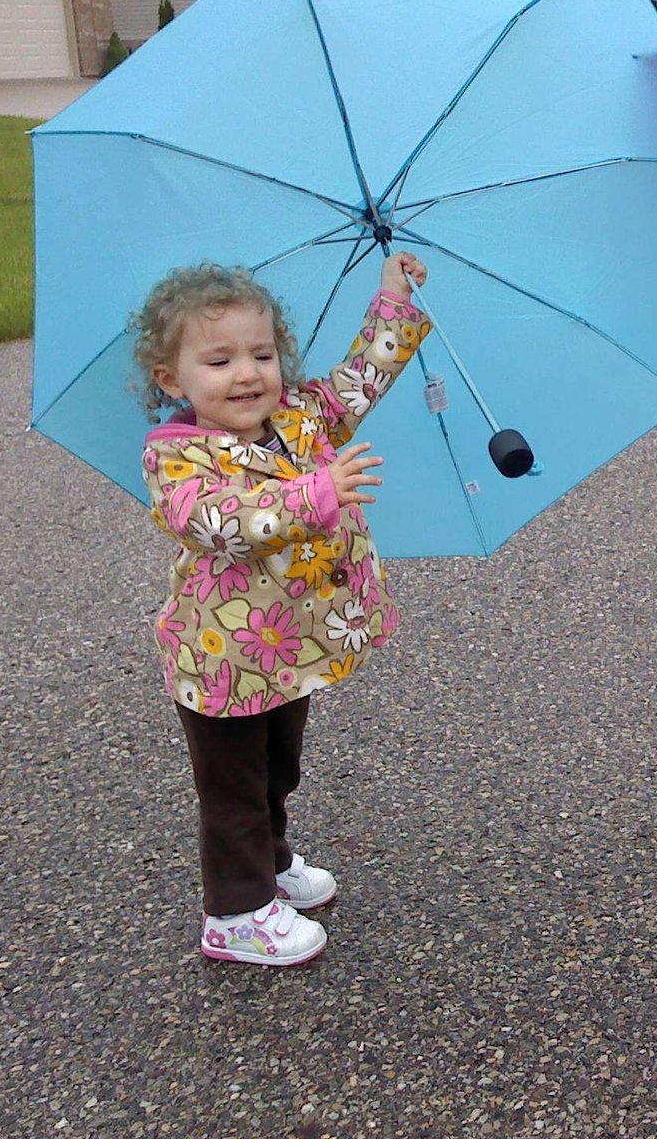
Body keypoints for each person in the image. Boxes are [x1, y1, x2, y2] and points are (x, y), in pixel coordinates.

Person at [133, 252, 429, 964]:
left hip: (288, 649)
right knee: (233, 788)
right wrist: (316, 493)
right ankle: (235, 914)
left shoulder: (298, 416)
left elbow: (358, 383)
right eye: (219, 361)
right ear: (171, 379)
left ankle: (269, 862)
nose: (247, 374)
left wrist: (392, 299)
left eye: (262, 354)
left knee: (276, 769)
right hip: (223, 660)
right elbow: (222, 522)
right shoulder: (177, 460)